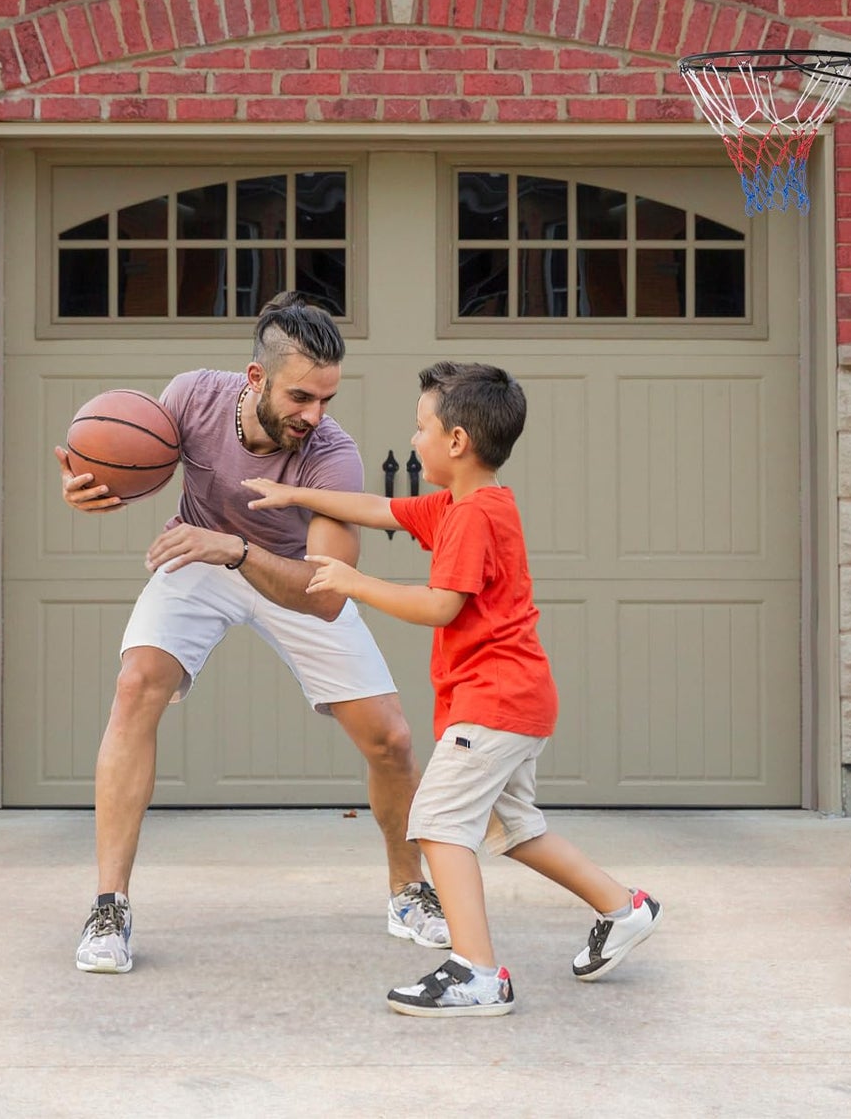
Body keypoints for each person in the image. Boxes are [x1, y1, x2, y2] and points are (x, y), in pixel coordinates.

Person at [243, 360, 660, 1017]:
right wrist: (297, 496)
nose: (413, 441)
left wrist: (352, 583)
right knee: (515, 827)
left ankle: (477, 972)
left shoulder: (471, 519)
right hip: (518, 698)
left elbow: (442, 606)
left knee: (436, 822)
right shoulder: (471, 503)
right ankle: (623, 905)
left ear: (457, 441)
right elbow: (380, 507)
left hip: (492, 700)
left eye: (420, 429)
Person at [54, 292, 448, 974]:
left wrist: (233, 549)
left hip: (286, 573)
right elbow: (124, 464)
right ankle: (109, 904)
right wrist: (87, 488)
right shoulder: (189, 397)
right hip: (197, 556)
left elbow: (326, 596)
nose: (313, 415)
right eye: (300, 396)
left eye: (325, 398)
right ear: (255, 378)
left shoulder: (332, 456)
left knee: (392, 739)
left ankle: (408, 889)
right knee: (135, 684)